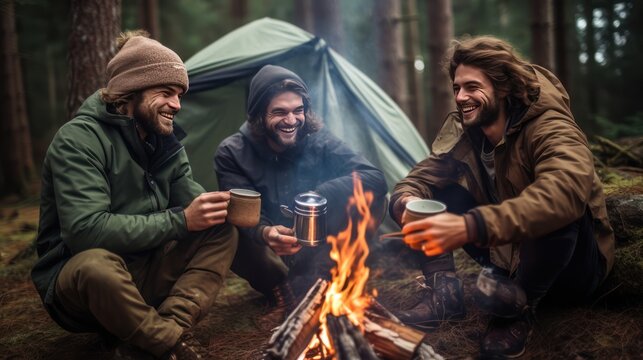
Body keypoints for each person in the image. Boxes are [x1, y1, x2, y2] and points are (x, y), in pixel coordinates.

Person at [389, 36, 614, 358]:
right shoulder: (469, 131)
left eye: (472, 87)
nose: (461, 97)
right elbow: (420, 179)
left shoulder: (550, 127)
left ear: (504, 87)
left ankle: (518, 310)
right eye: (456, 88)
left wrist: (471, 226)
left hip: (569, 267)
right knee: (436, 194)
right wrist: (407, 204)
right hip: (506, 255)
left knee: (552, 210)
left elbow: (565, 191)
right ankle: (444, 294)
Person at [31, 30, 238, 360]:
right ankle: (171, 344)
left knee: (221, 229)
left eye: (180, 94)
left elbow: (194, 204)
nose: (177, 104)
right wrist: (180, 221)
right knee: (96, 264)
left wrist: (256, 225)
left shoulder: (165, 142)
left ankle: (162, 332)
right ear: (131, 91)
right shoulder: (78, 140)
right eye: (167, 92)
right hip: (87, 287)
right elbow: (85, 231)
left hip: (146, 274)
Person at [214, 65, 387, 311]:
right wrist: (266, 233)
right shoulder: (232, 153)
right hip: (269, 255)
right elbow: (241, 215)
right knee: (227, 223)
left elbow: (375, 178)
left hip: (318, 249)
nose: (291, 120)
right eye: (279, 112)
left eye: (298, 110)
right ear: (259, 115)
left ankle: (332, 277)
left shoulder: (318, 139)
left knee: (375, 198)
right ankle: (281, 289)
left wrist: (321, 194)